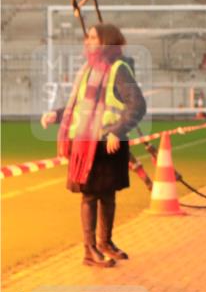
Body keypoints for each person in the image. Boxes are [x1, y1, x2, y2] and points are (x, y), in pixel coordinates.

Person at [39, 23, 146, 268]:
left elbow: (137, 105)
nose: (87, 41)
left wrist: (117, 131)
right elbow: (78, 106)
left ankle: (105, 243)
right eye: (87, 37)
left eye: (93, 37)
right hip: (87, 144)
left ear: (106, 41)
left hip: (107, 143)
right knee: (90, 196)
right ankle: (90, 250)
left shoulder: (119, 69)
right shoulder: (87, 69)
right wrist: (56, 115)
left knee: (107, 194)